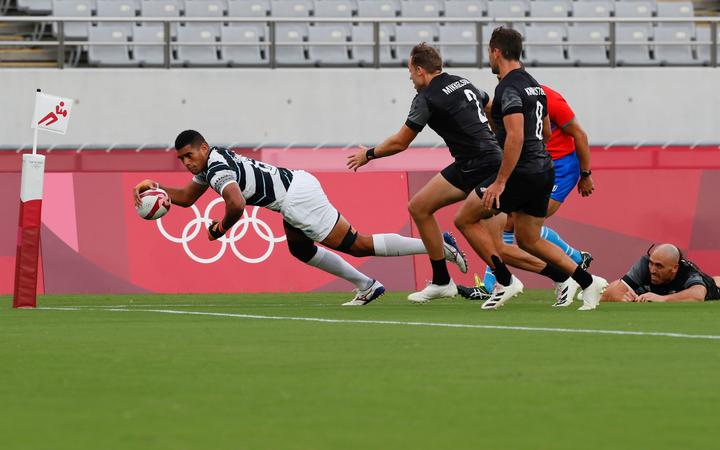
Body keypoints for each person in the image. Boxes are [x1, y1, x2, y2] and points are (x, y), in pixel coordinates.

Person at [133, 130, 467, 306]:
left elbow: (234, 205)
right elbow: (188, 199)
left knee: (358, 244)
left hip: (296, 197)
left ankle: (437, 245)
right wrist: (157, 187)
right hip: (293, 189)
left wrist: (220, 228)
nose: (187, 163)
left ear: (203, 148)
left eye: (189, 155)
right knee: (301, 249)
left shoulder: (216, 167)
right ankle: (367, 285)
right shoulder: (212, 162)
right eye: (181, 159)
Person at [452, 27, 608, 311]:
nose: (489, 56)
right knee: (528, 239)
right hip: (543, 169)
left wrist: (500, 182)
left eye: (489, 51)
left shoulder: (508, 87)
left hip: (520, 172)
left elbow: (516, 136)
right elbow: (546, 131)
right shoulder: (535, 85)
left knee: (464, 219)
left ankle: (504, 280)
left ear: (496, 52)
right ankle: (587, 281)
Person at [347, 43, 505, 303]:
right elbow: (490, 107)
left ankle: (532, 278)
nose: (409, 77)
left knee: (514, 234)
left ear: (420, 70)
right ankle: (442, 281)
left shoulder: (426, 98)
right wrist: (495, 138)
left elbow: (401, 142)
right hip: (476, 162)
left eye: (410, 71)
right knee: (420, 206)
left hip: (480, 166)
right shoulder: (462, 82)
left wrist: (369, 154)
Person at [468, 84, 595, 307]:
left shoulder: (550, 99)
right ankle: (574, 263)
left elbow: (580, 135)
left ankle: (497, 282)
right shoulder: (509, 99)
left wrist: (585, 174)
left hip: (561, 168)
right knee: (512, 224)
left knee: (518, 224)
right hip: (532, 167)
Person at [601, 244, 720, 302]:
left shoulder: (687, 272)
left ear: (674, 268)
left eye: (659, 266)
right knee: (611, 286)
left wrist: (662, 299)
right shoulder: (644, 264)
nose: (652, 270)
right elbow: (609, 294)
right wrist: (623, 297)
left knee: (715, 282)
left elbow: (698, 295)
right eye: (651, 263)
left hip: (711, 287)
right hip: (652, 291)